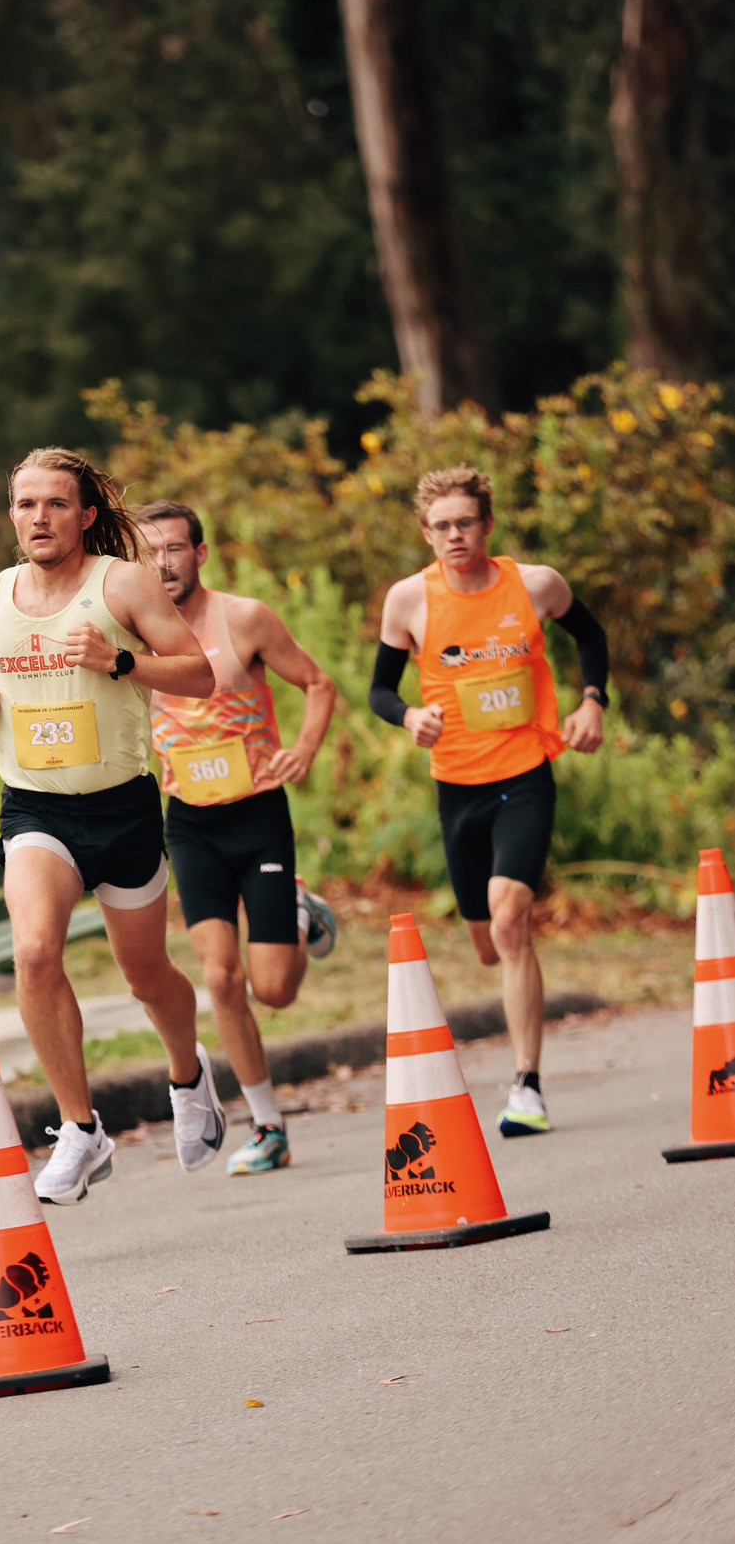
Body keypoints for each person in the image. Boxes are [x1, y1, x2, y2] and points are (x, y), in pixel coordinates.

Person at [0, 448, 226, 1203]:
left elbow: (199, 673)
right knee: (35, 950)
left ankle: (187, 1073)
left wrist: (120, 663)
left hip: (122, 807)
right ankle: (81, 1129)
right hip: (34, 806)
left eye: (54, 504)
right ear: (11, 514)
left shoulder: (122, 585)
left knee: (147, 976)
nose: (37, 517)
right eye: (24, 504)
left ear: (85, 515)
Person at [369, 464, 609, 1136]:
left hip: (525, 774)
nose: (454, 535)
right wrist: (408, 716)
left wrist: (592, 701)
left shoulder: (533, 585)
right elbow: (379, 691)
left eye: (465, 522)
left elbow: (589, 636)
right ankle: (512, 989)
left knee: (511, 919)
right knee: (484, 941)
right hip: (457, 787)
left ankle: (526, 1084)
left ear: (487, 525)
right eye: (441, 526)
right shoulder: (408, 601)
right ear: (425, 532)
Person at [138, 501, 339, 1175]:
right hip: (189, 821)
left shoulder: (245, 619)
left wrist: (304, 750)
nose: (161, 563)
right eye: (148, 552)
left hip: (257, 817)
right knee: (220, 980)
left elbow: (316, 682)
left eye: (172, 549)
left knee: (273, 989)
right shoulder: (132, 636)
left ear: (199, 553)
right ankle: (267, 1126)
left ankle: (299, 914)